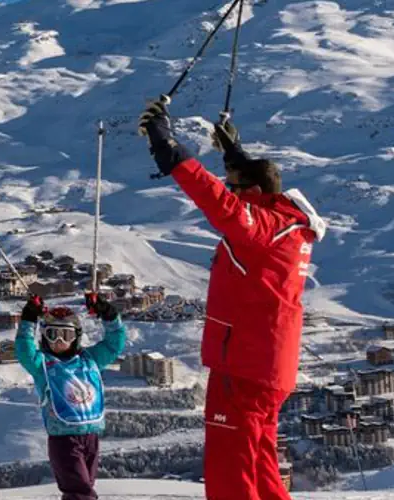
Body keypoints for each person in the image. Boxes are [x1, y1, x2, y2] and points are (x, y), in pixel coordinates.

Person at [140, 99, 326, 500]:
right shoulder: (288, 221)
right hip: (266, 364)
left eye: (235, 186)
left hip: (243, 363)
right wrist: (233, 152)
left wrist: (172, 153)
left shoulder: (263, 225)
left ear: (253, 193)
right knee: (259, 463)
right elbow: (254, 190)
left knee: (231, 469)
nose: (230, 192)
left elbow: (223, 207)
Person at [14, 295, 129, 500]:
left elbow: (114, 344)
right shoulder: (43, 364)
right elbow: (24, 350)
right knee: (80, 491)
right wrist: (29, 319)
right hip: (63, 439)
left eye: (65, 335)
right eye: (53, 335)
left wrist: (108, 313)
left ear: (76, 337)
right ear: (44, 336)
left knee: (84, 486)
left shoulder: (89, 359)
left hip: (91, 436)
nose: (59, 342)